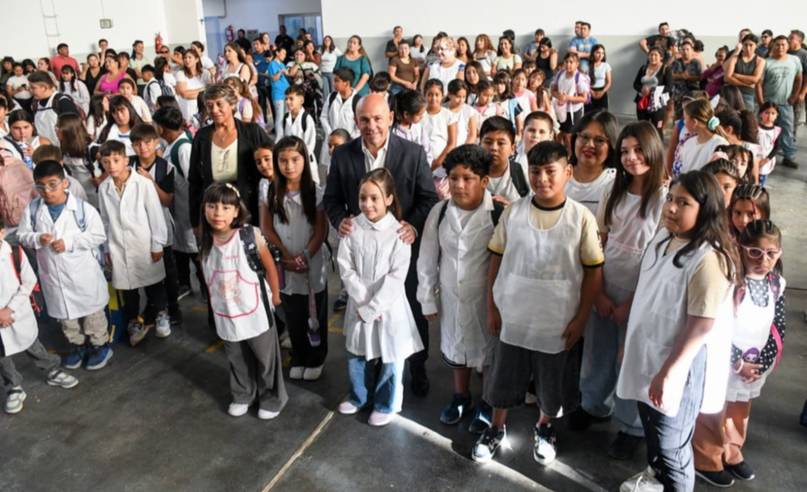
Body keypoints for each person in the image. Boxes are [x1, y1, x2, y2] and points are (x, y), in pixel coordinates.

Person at [473, 140, 604, 465]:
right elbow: (495, 260)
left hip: (557, 321)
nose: (542, 178)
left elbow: (593, 272)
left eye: (550, 171)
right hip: (513, 316)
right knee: (502, 378)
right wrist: (492, 306)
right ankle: (497, 426)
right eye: (535, 171)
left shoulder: (581, 218)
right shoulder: (514, 213)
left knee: (551, 383)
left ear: (567, 173)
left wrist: (581, 319)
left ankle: (545, 427)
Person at [617, 170, 737, 492]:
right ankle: (655, 478)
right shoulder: (663, 239)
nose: (670, 207)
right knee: (654, 433)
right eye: (670, 198)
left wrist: (669, 372)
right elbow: (647, 295)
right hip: (647, 353)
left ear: (706, 209)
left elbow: (701, 325)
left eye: (682, 203)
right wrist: (629, 342)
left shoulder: (708, 259)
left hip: (677, 366)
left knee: (672, 447)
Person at [323, 93, 437, 396]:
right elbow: (331, 199)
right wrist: (340, 220)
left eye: (377, 118)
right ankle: (374, 364)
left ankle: (418, 366)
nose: (371, 125)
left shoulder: (412, 153)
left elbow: (429, 198)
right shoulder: (344, 155)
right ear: (356, 121)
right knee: (367, 306)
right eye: (364, 119)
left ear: (390, 117)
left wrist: (412, 224)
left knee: (408, 308)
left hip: (400, 249)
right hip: (363, 253)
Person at [572, 122, 667, 460]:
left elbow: (659, 259)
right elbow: (599, 241)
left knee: (631, 358)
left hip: (641, 294)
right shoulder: (614, 187)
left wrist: (631, 303)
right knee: (598, 350)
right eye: (625, 151)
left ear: (654, 151)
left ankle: (631, 425)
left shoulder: (664, 197)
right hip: (606, 285)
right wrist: (597, 292)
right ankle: (594, 403)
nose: (631, 157)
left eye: (639, 150)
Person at [417, 144, 500, 431]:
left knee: (488, 353)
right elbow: (427, 258)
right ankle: (460, 396)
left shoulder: (498, 214)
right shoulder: (439, 213)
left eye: (468, 178)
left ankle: (487, 402)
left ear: (484, 181)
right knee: (456, 347)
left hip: (486, 300)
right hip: (451, 296)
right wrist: (427, 299)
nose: (459, 185)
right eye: (453, 178)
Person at [336, 168, 423, 426]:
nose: (367, 204)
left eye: (374, 198)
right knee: (357, 351)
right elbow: (345, 266)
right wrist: (362, 300)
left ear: (388, 199)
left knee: (390, 355)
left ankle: (387, 403)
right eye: (363, 197)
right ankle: (358, 396)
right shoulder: (352, 228)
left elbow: (397, 276)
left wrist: (374, 306)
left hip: (389, 305)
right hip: (359, 302)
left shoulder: (399, 233)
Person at [199, 182, 287, 419]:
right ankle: (243, 394)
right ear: (204, 209)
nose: (218, 213)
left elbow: (269, 266)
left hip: (255, 309)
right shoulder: (205, 239)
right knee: (236, 357)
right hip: (225, 311)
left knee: (265, 357)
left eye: (226, 208)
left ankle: (272, 396)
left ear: (237, 211)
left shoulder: (249, 235)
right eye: (212, 206)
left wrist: (276, 295)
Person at [17, 160, 111, 370]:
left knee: (92, 316)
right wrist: (37, 238)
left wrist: (69, 243)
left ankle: (99, 345)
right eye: (41, 186)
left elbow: (98, 235)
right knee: (67, 319)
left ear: (65, 183)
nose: (47, 191)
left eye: (53, 184)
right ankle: (76, 346)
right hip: (54, 276)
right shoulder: (32, 210)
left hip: (82, 275)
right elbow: (23, 235)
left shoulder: (82, 210)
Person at [263, 136, 328, 381]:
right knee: (293, 314)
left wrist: (304, 257)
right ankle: (300, 356)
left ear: (305, 160)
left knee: (315, 314)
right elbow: (267, 228)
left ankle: (316, 357)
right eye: (283, 160)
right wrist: (286, 256)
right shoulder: (269, 190)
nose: (289, 166)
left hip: (311, 263)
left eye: (295, 160)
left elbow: (320, 231)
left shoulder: (316, 192)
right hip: (285, 263)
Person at [1, 217, 79, 414]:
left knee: (31, 344)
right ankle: (13, 387)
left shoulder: (15, 254)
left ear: (2, 232)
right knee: (2, 355)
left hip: (18, 312)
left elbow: (28, 282)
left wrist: (9, 310)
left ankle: (52, 370)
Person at [97, 140, 170, 346]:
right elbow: (105, 220)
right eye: (106, 162)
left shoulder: (143, 184)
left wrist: (157, 244)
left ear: (126, 160)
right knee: (128, 290)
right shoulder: (104, 188)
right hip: (118, 246)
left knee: (153, 285)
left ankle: (157, 315)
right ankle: (134, 321)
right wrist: (106, 248)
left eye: (116, 160)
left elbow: (156, 216)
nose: (111, 165)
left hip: (143, 244)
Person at [189, 84, 272, 230]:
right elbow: (194, 181)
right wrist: (196, 222)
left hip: (248, 208)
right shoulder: (202, 137)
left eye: (219, 104)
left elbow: (272, 161)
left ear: (232, 104)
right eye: (209, 106)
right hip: (215, 212)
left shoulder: (252, 132)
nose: (214, 110)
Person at [129, 123, 181, 326]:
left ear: (156, 142)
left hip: (161, 224)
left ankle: (173, 308)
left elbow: (167, 200)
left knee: (167, 268)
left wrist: (149, 182)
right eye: (138, 144)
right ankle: (155, 307)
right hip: (138, 225)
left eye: (147, 142)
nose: (143, 147)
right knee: (145, 268)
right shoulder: (128, 165)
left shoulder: (165, 167)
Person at [152, 106, 200, 302]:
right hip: (178, 212)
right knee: (181, 248)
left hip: (187, 211)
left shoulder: (184, 148)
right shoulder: (172, 145)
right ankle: (185, 284)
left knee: (194, 251)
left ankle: (206, 288)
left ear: (162, 128)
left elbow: (193, 182)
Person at [758, 35, 802, 169]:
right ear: (773, 46)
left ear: (788, 46)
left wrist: (795, 95)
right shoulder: (766, 62)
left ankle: (788, 157)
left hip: (785, 104)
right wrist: (761, 103)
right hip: (769, 104)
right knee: (764, 131)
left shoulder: (795, 60)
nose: (781, 47)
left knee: (787, 130)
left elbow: (799, 78)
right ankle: (761, 155)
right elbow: (758, 84)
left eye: (783, 44)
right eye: (778, 44)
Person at [566, 111, 618, 214]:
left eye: (599, 140)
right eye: (584, 137)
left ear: (611, 146)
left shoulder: (615, 182)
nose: (590, 145)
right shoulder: (558, 175)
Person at [479, 116, 529, 206]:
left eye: (501, 143)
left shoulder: (523, 175)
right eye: (488, 142)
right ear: (479, 144)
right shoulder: (468, 175)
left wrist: (510, 209)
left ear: (513, 149)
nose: (494, 148)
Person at [673, 98, 730, 176]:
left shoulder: (720, 144)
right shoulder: (688, 142)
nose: (684, 123)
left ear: (694, 122)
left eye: (685, 119)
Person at [277, 85, 319, 184]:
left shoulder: (306, 119)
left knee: (309, 187)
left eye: (291, 99)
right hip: (290, 160)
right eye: (286, 99)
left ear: (301, 100)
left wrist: (298, 158)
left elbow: (309, 145)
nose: (287, 102)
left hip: (305, 161)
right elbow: (280, 139)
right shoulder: (285, 118)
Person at [28, 71, 81, 145]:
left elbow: (74, 128)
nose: (30, 90)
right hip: (46, 151)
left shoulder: (63, 102)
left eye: (33, 88)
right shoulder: (35, 105)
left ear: (44, 87)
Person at [551, 53, 590, 144]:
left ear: (577, 64)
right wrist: (559, 96)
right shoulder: (560, 73)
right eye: (566, 62)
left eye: (571, 62)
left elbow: (584, 98)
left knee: (569, 136)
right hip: (560, 109)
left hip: (573, 111)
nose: (568, 64)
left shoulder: (579, 78)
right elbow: (553, 90)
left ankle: (570, 155)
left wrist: (567, 98)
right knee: (559, 132)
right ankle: (558, 151)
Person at [725, 34, 765, 112]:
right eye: (745, 45)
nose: (748, 48)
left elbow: (755, 79)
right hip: (731, 92)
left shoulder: (760, 61)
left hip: (748, 95)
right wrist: (746, 84)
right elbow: (727, 78)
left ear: (756, 46)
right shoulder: (735, 58)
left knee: (747, 118)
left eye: (751, 45)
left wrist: (736, 75)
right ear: (742, 45)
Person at [514, 111, 555, 178]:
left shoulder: (555, 163)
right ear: (522, 132)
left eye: (542, 132)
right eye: (531, 130)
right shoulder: (511, 158)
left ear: (551, 136)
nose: (536, 135)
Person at [670, 40, 703, 118]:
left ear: (692, 51)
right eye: (683, 49)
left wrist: (689, 78)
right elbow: (669, 75)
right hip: (677, 93)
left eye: (687, 49)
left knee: (691, 115)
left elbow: (700, 77)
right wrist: (680, 76)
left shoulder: (696, 62)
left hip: (692, 93)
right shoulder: (676, 62)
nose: (685, 51)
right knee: (678, 117)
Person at [175, 48, 209, 124]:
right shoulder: (180, 73)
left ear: (197, 59)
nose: (187, 60)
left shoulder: (205, 73)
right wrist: (203, 89)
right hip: (187, 109)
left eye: (190, 57)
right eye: (185, 58)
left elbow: (209, 92)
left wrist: (191, 92)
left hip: (202, 108)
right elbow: (184, 94)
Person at [447, 80, 478, 146]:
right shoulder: (443, 109)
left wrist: (464, 149)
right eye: (458, 97)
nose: (461, 100)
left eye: (464, 97)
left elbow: (472, 135)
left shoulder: (469, 110)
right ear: (449, 95)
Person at [588, 45, 612, 112]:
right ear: (593, 53)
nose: (600, 55)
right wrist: (591, 91)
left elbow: (609, 82)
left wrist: (602, 92)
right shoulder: (588, 65)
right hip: (589, 91)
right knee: (590, 114)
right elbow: (584, 81)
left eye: (602, 53)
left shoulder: (606, 65)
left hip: (602, 91)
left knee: (602, 114)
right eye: (598, 52)